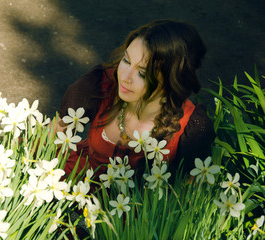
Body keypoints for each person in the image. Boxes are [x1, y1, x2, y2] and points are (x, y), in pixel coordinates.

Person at [56, 19, 215, 179]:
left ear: (170, 82)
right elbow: (53, 135)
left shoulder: (191, 128)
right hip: (75, 186)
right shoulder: (101, 83)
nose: (125, 77)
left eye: (142, 73)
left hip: (134, 204)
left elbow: (190, 191)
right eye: (126, 60)